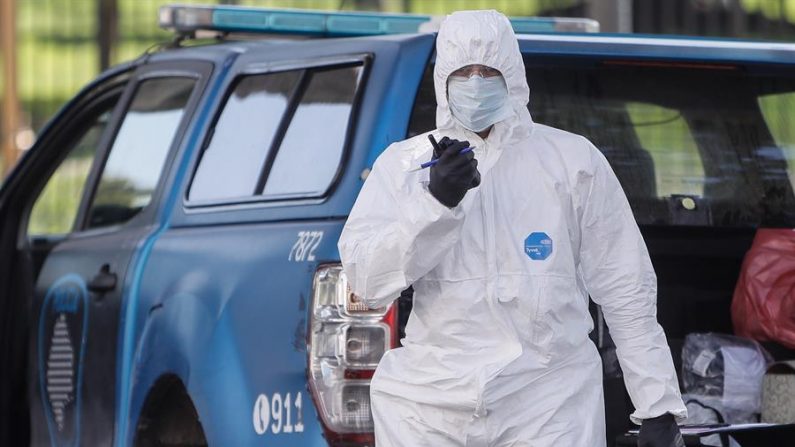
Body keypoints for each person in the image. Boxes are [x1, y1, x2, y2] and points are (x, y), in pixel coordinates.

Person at [338, 9, 687, 447]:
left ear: (514, 73)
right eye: (464, 71)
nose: (477, 81)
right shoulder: (405, 167)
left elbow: (626, 287)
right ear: (444, 77)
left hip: (548, 402)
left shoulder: (571, 162)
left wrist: (657, 405)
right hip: (429, 407)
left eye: (489, 69)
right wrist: (434, 205)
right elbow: (366, 282)